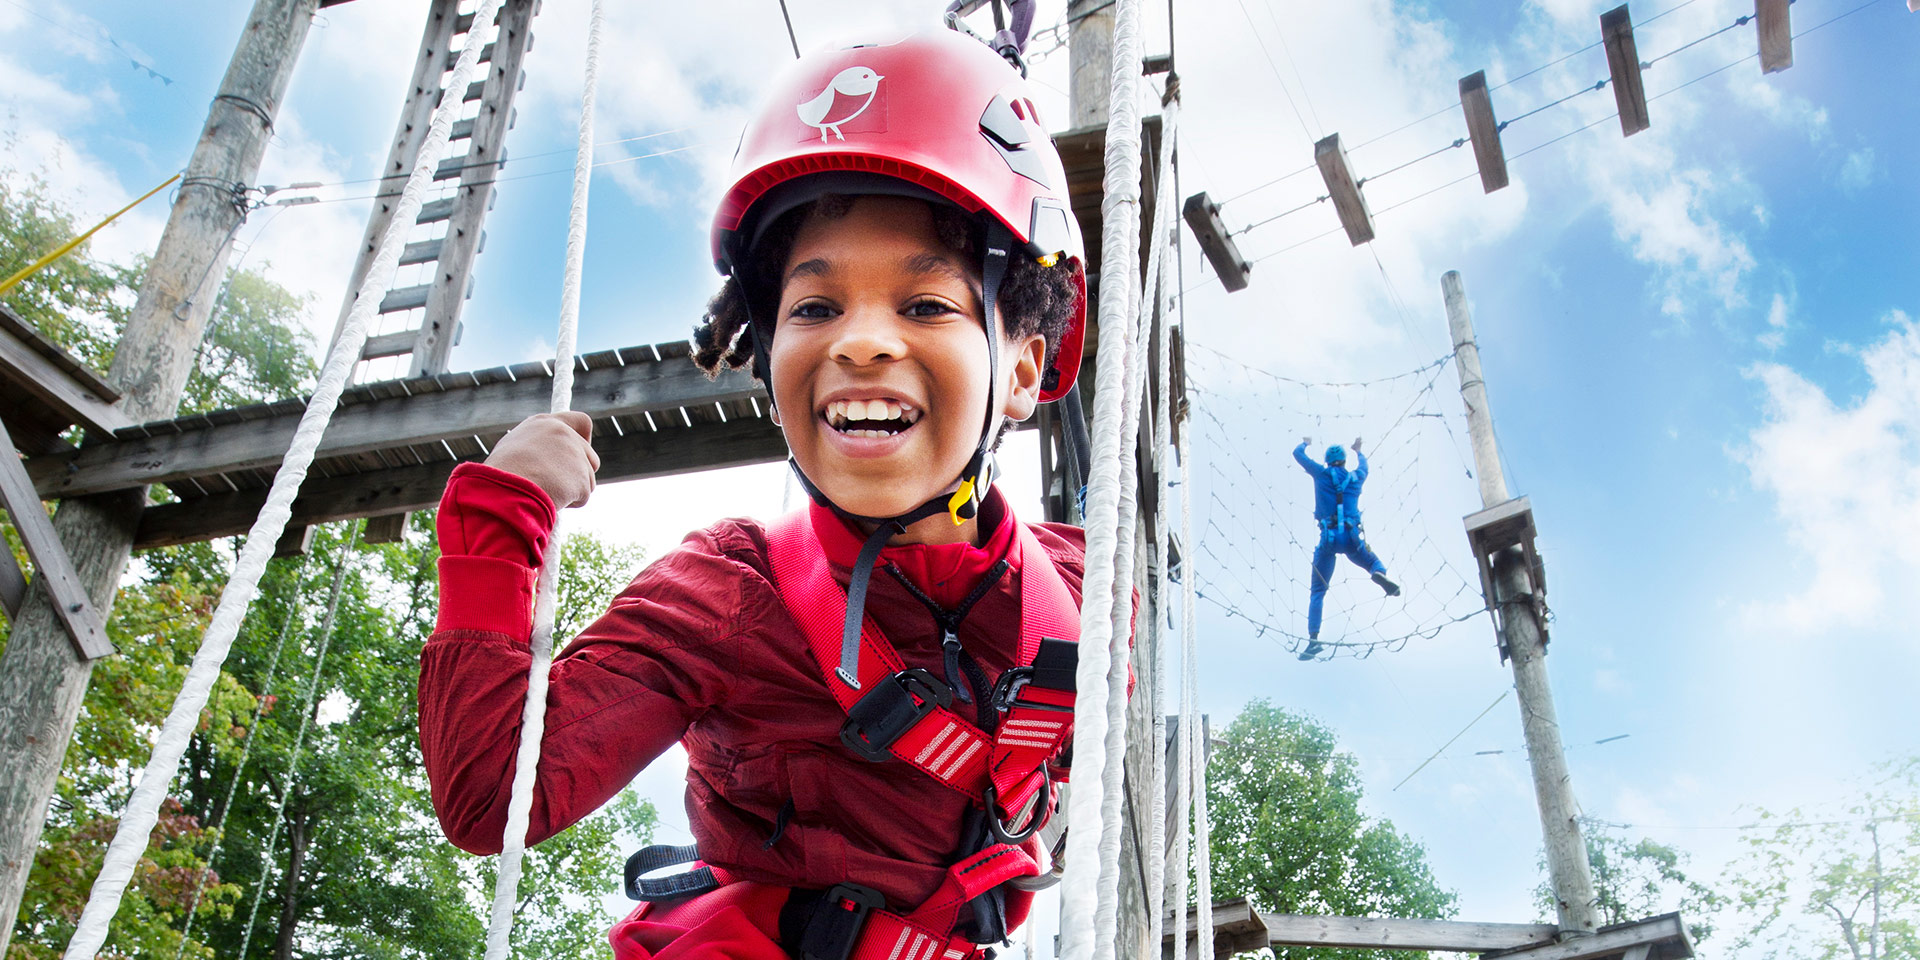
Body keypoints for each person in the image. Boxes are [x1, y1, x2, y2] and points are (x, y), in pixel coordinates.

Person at [418, 28, 1113, 960]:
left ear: (1024, 371)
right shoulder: (726, 592)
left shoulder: (1086, 600)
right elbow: (493, 797)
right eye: (814, 307)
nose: (861, 343)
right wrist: (501, 515)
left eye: (927, 305)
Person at [1293, 436, 1400, 660]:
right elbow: (1364, 467)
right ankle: (1378, 575)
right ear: (1343, 461)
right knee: (1373, 562)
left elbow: (1298, 455)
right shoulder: (1355, 478)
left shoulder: (1320, 474)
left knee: (1318, 591)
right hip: (1352, 538)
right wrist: (1359, 451)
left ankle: (1313, 639)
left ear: (1328, 461)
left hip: (1328, 540)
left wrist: (1305, 443)